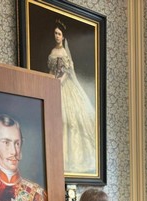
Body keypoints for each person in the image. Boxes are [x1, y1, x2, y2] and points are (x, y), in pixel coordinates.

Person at [48, 20, 97, 175]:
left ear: (63, 36)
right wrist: (49, 82)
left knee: (69, 119)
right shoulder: (53, 51)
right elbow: (51, 71)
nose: (57, 36)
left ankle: (72, 160)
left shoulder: (64, 52)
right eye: (55, 33)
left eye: (59, 34)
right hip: (53, 83)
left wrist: (58, 84)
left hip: (64, 85)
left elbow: (67, 73)